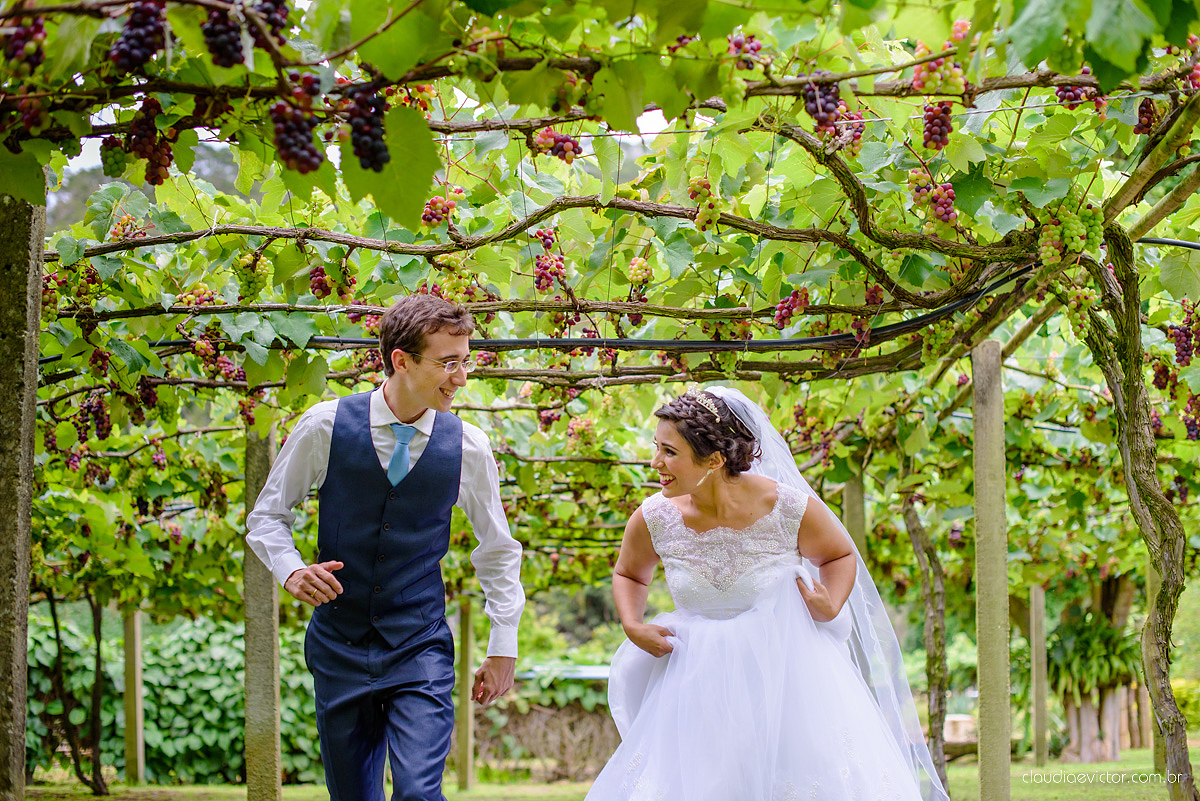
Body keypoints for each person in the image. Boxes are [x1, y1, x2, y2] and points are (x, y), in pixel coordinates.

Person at [586, 386, 949, 801]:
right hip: (694, 678)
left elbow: (839, 553)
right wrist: (632, 625)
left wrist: (830, 603)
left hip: (786, 676)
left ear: (715, 460)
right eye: (657, 448)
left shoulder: (786, 507)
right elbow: (630, 574)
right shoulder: (655, 517)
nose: (655, 463)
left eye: (669, 452)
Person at [245, 294, 525, 801]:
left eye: (466, 361)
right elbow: (267, 517)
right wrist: (290, 570)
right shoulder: (324, 426)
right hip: (339, 646)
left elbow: (497, 549)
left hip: (419, 645)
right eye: (447, 363)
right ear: (402, 360)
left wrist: (503, 645)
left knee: (418, 794)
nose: (461, 378)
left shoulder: (469, 446)